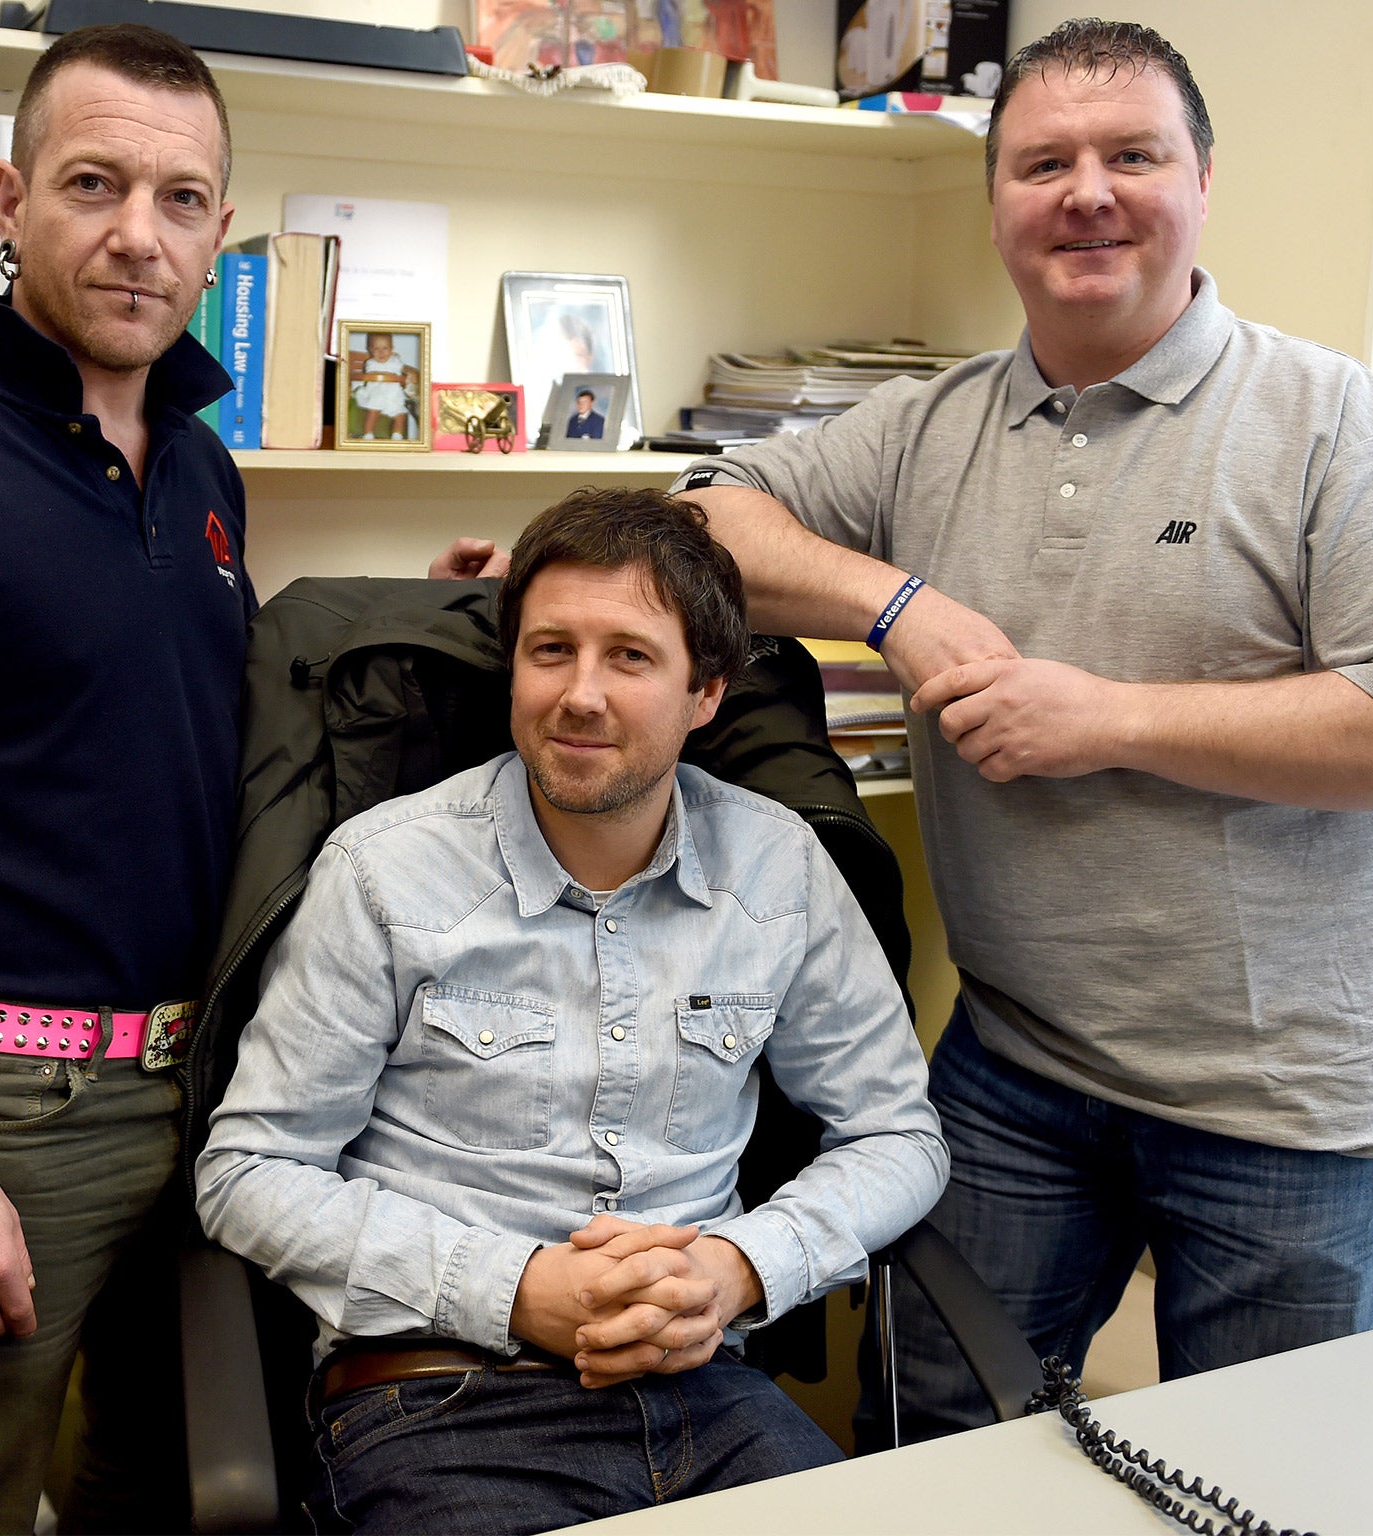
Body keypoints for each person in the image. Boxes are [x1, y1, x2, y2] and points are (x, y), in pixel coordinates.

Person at [673, 18, 1373, 1443]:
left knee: (1264, 1482)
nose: (1089, 193)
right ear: (996, 197)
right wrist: (900, 606)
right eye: (1044, 162)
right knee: (929, 1445)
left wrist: (1107, 718)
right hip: (1019, 1068)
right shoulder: (931, 426)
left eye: (1134, 155)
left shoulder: (1326, 420)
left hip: (1298, 1109)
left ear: (1202, 180)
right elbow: (701, 523)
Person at [0, 23, 486, 1529]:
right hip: (2, 1106)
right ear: (11, 200)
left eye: (183, 197)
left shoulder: (199, 464)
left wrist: (435, 609)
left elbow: (180, 705)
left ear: (224, 225)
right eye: (93, 184)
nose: (138, 235)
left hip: (215, 1087)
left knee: (164, 1485)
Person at [196, 487, 948, 1532]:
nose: (579, 695)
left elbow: (896, 1136)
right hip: (439, 1396)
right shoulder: (384, 872)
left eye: (629, 658)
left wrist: (738, 1270)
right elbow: (248, 1173)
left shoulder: (779, 869)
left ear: (704, 694)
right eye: (550, 651)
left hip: (705, 1391)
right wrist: (512, 1287)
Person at [351, 331, 416, 440]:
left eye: (385, 348)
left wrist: (410, 372)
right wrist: (391, 376)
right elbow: (372, 374)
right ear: (371, 350)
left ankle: (397, 435)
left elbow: (403, 368)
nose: (381, 352)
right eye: (376, 349)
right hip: (377, 393)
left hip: (393, 396)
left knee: (401, 415)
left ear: (391, 349)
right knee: (373, 412)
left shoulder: (396, 361)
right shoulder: (371, 363)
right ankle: (368, 434)